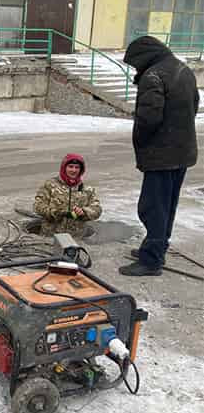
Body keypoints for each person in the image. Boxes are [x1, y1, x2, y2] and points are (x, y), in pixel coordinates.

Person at [119, 36, 199, 276]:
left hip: (161, 155)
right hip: (182, 152)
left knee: (152, 207)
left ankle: (151, 261)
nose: (135, 68)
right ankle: (157, 247)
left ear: (144, 57)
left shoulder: (153, 76)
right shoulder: (182, 69)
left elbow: (148, 119)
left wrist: (143, 143)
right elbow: (195, 104)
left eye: (135, 64)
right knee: (168, 204)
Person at [33, 153, 102, 239]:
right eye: (70, 166)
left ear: (81, 170)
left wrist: (84, 212)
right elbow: (37, 206)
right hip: (50, 237)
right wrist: (56, 213)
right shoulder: (50, 185)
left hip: (76, 239)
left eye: (77, 167)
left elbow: (97, 210)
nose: (74, 170)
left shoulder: (87, 189)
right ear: (64, 168)